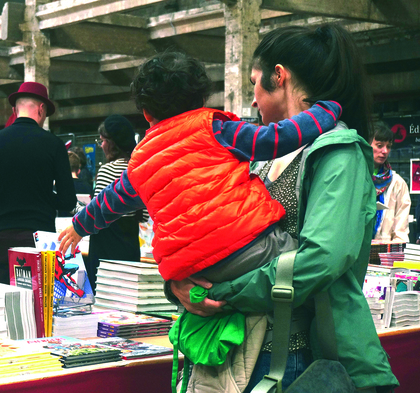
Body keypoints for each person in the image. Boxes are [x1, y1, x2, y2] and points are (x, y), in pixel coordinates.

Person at [56, 50, 349, 388]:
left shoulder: (140, 161)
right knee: (297, 248)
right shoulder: (216, 128)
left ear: (146, 113)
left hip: (196, 273)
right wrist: (327, 110)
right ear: (201, 99)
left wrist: (79, 226)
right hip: (255, 251)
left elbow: (112, 201)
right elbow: (276, 138)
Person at [170, 25, 398, 392]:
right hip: (229, 352)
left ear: (280, 76)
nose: (253, 100)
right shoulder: (259, 155)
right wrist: (179, 284)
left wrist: (224, 293)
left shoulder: (339, 153)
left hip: (290, 358)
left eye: (254, 84)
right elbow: (210, 231)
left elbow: (322, 257)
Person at [0, 81, 77, 284]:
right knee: (38, 305)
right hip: (40, 240)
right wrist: (44, 196)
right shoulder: (54, 145)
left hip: (1, 237)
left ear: (14, 109)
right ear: (41, 108)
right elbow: (67, 202)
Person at [86, 115, 148, 292]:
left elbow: (97, 214)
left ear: (112, 143)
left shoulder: (107, 170)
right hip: (129, 246)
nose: (101, 145)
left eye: (102, 141)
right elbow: (143, 216)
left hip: (106, 249)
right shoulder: (137, 171)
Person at [370, 122, 410, 242]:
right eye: (379, 145)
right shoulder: (356, 177)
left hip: (385, 254)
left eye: (388, 146)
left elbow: (401, 231)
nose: (385, 151)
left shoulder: (397, 183)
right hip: (355, 252)